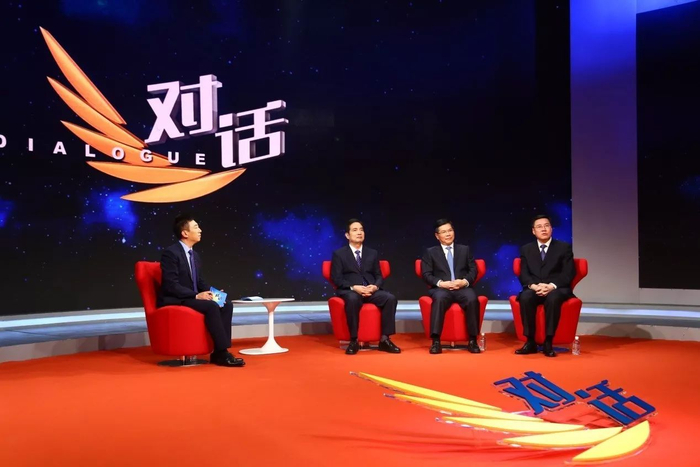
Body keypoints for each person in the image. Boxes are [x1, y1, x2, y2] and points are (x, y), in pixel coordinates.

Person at [158, 214, 245, 367]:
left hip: (192, 296)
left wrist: (213, 292)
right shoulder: (171, 253)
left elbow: (199, 281)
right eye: (196, 227)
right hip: (177, 298)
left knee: (225, 303)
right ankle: (223, 352)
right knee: (211, 306)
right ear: (185, 233)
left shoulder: (195, 255)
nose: (200, 230)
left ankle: (218, 353)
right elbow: (171, 285)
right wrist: (197, 295)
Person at [330, 219, 400, 355]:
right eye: (355, 230)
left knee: (390, 298)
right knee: (352, 299)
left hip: (370, 290)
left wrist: (375, 286)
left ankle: (385, 339)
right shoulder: (339, 254)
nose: (359, 233)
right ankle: (354, 340)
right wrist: (353, 287)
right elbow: (336, 278)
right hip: (351, 290)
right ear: (347, 235)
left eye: (361, 230)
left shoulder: (372, 253)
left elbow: (379, 275)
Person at [515, 214, 575, 358]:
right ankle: (530, 341)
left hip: (557, 288)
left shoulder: (564, 247)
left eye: (546, 226)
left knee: (553, 298)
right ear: (533, 231)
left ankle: (548, 341)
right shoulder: (526, 249)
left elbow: (568, 272)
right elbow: (524, 273)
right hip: (535, 287)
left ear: (551, 229)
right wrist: (534, 286)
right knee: (526, 297)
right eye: (539, 227)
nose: (543, 229)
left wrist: (551, 286)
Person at [421, 219, 481, 354]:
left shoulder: (464, 250)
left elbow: (473, 270)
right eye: (443, 232)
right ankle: (436, 341)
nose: (448, 234)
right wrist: (442, 283)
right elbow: (426, 274)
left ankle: (473, 340)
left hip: (462, 287)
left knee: (472, 298)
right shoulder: (430, 252)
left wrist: (464, 281)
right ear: (437, 236)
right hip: (441, 288)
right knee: (439, 299)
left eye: (450, 230)